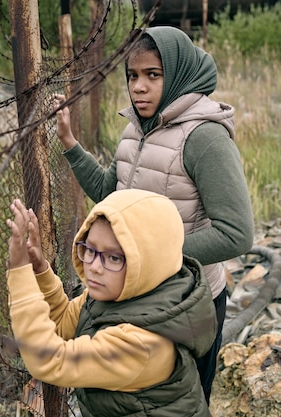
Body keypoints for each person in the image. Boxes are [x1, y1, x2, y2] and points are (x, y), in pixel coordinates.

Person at [54, 26, 255, 405]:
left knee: (183, 403)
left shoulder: (204, 138)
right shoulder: (134, 130)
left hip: (187, 302)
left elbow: (237, 234)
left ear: (177, 74)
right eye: (133, 76)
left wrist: (150, 257)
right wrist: (69, 143)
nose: (139, 87)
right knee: (133, 403)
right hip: (134, 293)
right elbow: (109, 195)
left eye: (153, 75)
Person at [6, 189, 217, 416]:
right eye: (90, 249)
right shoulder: (122, 293)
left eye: (113, 257)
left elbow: (49, 360)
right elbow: (63, 324)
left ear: (147, 263)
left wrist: (20, 273)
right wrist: (40, 271)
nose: (95, 266)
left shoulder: (141, 344)